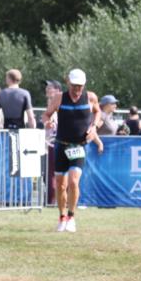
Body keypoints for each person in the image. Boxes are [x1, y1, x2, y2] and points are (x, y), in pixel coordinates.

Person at [43, 68, 101, 233]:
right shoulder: (59, 98)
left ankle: (71, 216)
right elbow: (46, 115)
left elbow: (97, 112)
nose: (77, 89)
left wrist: (94, 126)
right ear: (68, 83)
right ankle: (62, 217)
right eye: (74, 85)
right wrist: (48, 122)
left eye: (80, 86)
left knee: (74, 182)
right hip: (61, 144)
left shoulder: (90, 97)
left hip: (79, 145)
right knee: (61, 185)